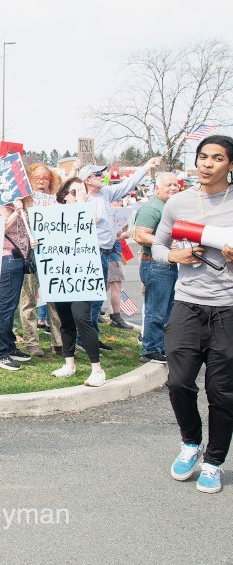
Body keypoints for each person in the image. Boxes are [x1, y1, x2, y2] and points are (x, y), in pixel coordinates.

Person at [152, 135, 233, 494]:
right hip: (187, 304)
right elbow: (158, 245)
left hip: (228, 309)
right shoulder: (179, 202)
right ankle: (191, 443)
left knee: (222, 392)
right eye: (203, 157)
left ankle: (213, 462)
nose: (207, 164)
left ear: (230, 165)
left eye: (217, 158)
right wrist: (175, 256)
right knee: (179, 382)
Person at [82, 157, 162, 350]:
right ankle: (84, 339)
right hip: (92, 253)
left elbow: (128, 185)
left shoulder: (105, 193)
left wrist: (146, 167)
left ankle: (92, 337)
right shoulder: (82, 198)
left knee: (97, 298)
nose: (102, 176)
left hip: (107, 252)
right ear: (87, 180)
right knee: (89, 299)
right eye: (97, 174)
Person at [50, 177, 110, 386]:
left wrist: (82, 205)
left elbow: (87, 223)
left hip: (82, 274)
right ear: (64, 196)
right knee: (66, 321)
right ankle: (69, 364)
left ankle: (97, 369)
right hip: (61, 273)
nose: (79, 195)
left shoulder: (89, 212)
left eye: (82, 191)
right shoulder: (53, 216)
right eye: (75, 192)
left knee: (82, 318)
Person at [133, 172, 179, 364]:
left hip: (168, 263)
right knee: (156, 309)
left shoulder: (169, 206)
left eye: (176, 184)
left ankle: (160, 346)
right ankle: (150, 349)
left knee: (167, 309)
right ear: (157, 188)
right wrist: (165, 244)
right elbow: (140, 235)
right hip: (155, 263)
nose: (173, 188)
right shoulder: (152, 208)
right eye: (169, 185)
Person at [0, 185, 34, 371]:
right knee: (6, 306)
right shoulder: (4, 206)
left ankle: (8, 345)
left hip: (17, 259)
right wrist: (17, 212)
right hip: (7, 259)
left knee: (11, 306)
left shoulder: (15, 205)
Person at [19, 163, 62, 357]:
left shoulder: (56, 201)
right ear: (30, 180)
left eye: (46, 178)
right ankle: (31, 342)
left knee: (55, 300)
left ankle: (58, 342)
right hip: (29, 255)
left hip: (52, 255)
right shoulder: (23, 202)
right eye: (37, 178)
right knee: (28, 300)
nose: (42, 182)